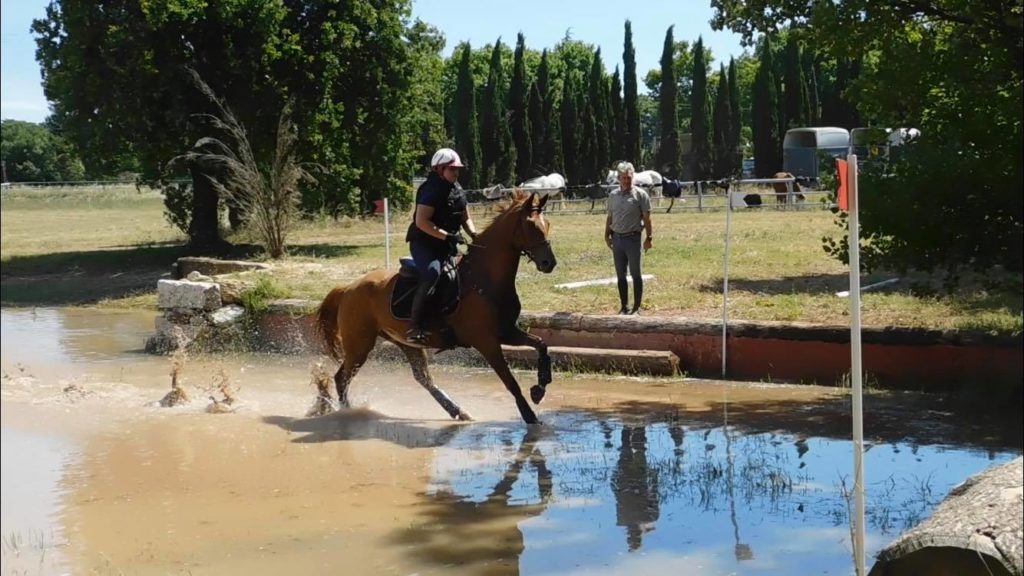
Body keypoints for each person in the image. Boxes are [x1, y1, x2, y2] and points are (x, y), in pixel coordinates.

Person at [404, 148, 480, 343]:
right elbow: (422, 222)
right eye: (452, 169)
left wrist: (475, 235)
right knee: (433, 273)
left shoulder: (457, 189)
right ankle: (415, 326)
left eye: (457, 169)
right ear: (439, 169)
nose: (456, 172)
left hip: (447, 243)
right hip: (425, 244)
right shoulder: (430, 190)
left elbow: (466, 218)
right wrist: (448, 236)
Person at [605, 162, 653, 315]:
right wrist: (606, 235)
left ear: (633, 177)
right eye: (623, 178)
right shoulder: (613, 196)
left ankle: (637, 307)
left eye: (629, 177)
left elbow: (647, 218)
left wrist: (649, 238)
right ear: (618, 178)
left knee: (636, 274)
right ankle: (624, 306)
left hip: (633, 239)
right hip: (617, 239)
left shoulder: (640, 195)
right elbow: (610, 216)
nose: (626, 181)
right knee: (620, 275)